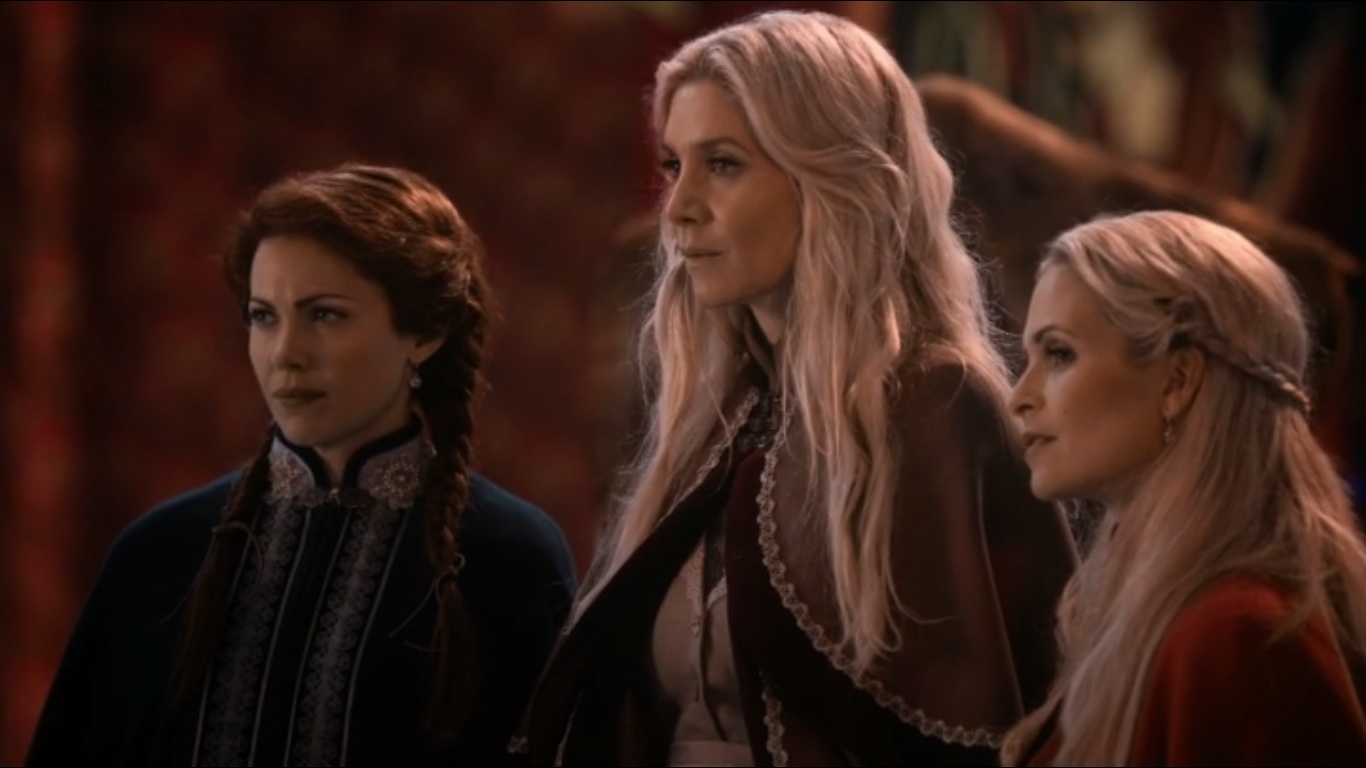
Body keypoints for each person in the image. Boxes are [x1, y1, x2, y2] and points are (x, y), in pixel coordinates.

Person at [516, 10, 1078, 766]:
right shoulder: (720, 425)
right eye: (675, 166)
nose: (678, 209)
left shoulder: (931, 402)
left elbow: (959, 728)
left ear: (834, 177)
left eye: (723, 164)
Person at [24, 163, 578, 766]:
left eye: (325, 315)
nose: (285, 354)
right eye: (264, 316)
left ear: (425, 331)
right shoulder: (159, 556)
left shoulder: (508, 561)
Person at [1001, 209, 1366, 766]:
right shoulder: (1163, 608)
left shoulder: (1238, 636)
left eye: (1059, 353)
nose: (1019, 397)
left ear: (1178, 380)